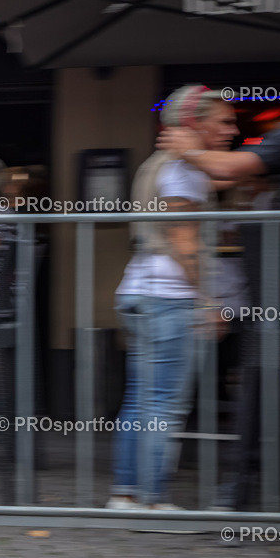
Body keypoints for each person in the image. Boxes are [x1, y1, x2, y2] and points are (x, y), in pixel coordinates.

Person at [107, 85, 236, 511]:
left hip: (141, 291)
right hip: (169, 297)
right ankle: (151, 501)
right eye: (224, 122)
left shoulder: (162, 163)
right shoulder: (184, 170)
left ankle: (126, 495)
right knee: (163, 402)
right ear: (195, 122)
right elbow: (184, 240)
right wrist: (208, 300)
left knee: (140, 399)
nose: (232, 130)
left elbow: (229, 176)